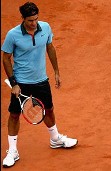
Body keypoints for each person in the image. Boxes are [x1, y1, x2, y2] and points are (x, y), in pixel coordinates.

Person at [1, 2, 78, 168]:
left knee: (49, 110)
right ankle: (13, 151)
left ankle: (55, 139)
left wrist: (56, 71)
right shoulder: (13, 35)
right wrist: (14, 83)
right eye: (30, 20)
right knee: (14, 115)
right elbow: (5, 58)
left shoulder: (45, 28)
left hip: (42, 80)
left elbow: (50, 47)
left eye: (36, 19)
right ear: (23, 19)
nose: (34, 23)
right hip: (21, 83)